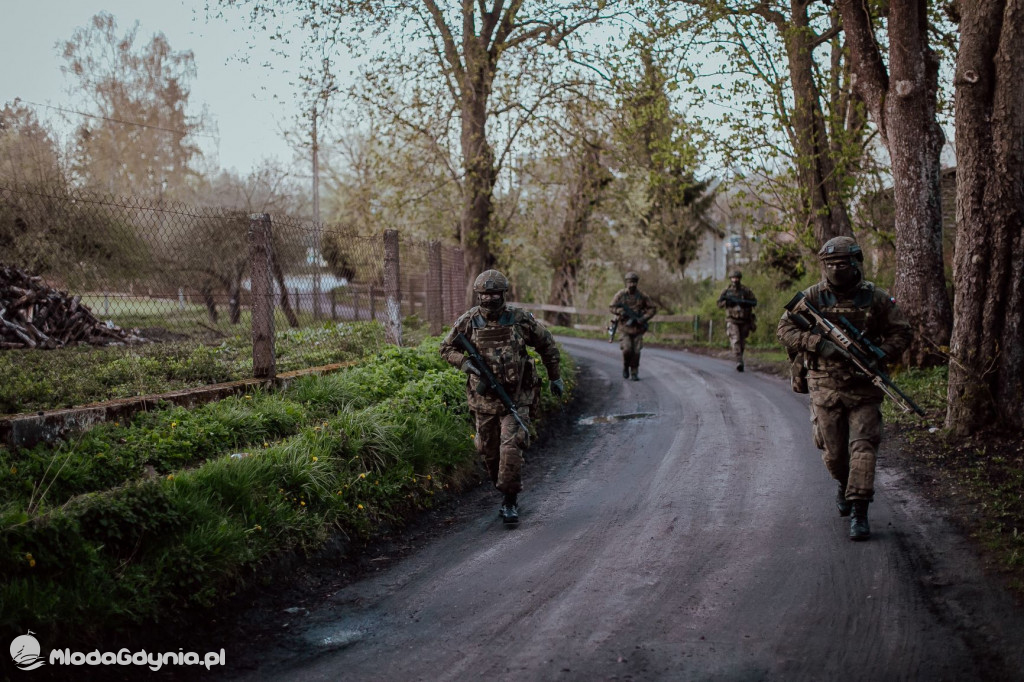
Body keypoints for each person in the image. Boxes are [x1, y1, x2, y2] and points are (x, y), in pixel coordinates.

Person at [776, 236, 911, 541]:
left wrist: (883, 353)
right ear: (823, 266)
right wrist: (819, 344)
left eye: (843, 262)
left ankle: (859, 510)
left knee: (863, 447)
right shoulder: (811, 298)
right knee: (835, 455)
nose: (837, 268)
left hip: (864, 386)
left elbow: (902, 331)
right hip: (824, 387)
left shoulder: (875, 297)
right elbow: (784, 329)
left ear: (856, 263)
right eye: (831, 263)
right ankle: (844, 484)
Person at [440, 269, 564, 525]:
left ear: (503, 294)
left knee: (510, 449)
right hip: (483, 401)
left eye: (494, 293)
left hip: (517, 398)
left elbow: (546, 344)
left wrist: (555, 376)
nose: (489, 299)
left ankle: (509, 501)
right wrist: (465, 364)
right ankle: (504, 488)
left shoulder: (519, 319)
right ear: (478, 295)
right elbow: (445, 348)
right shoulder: (469, 321)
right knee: (488, 452)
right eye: (484, 294)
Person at [609, 271, 656, 381]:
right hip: (624, 327)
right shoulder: (621, 295)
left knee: (636, 351)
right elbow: (611, 307)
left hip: (638, 328)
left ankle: (634, 372)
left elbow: (652, 308)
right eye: (629, 282)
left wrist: (643, 318)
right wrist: (619, 311)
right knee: (627, 349)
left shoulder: (642, 296)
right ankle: (626, 367)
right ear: (626, 283)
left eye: (634, 282)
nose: (632, 285)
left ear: (637, 283)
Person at [717, 270, 758, 371]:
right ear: (730, 279)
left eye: (737, 278)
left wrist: (744, 303)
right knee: (736, 340)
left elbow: (754, 302)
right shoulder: (727, 291)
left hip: (744, 320)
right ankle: (739, 360)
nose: (735, 280)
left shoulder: (745, 290)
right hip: (732, 319)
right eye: (733, 278)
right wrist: (727, 302)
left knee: (742, 342)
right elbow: (719, 303)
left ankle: (740, 358)